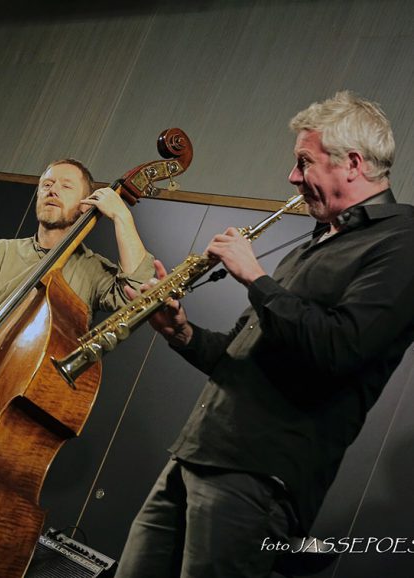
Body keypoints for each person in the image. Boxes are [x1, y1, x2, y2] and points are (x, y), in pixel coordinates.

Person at [114, 91, 414, 578]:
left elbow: (342, 348)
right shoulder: (316, 243)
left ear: (353, 164)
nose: (293, 178)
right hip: (198, 453)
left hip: (258, 476)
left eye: (304, 162)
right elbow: (238, 356)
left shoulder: (401, 243)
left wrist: (256, 278)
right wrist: (182, 332)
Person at [0, 158, 154, 363]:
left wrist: (121, 217)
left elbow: (136, 289)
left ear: (87, 204)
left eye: (66, 186)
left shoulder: (92, 270)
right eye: (47, 185)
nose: (53, 190)